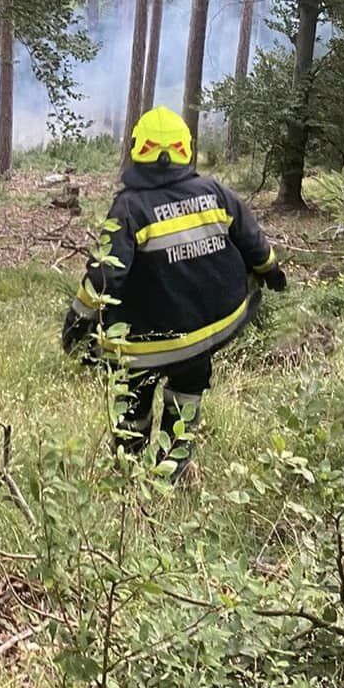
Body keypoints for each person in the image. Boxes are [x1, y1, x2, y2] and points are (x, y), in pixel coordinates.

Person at [62, 106, 287, 478]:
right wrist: (271, 270)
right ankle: (174, 467)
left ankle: (132, 470)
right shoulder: (215, 192)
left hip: (146, 344)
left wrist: (78, 320)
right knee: (187, 390)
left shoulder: (129, 208)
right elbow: (254, 243)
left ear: (138, 151)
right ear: (186, 150)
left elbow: (105, 277)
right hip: (206, 332)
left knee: (132, 398)